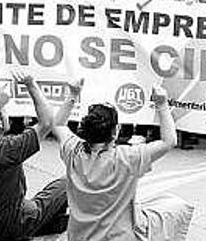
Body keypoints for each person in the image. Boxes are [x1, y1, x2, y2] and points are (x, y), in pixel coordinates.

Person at [51, 78, 194, 240]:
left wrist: (73, 95)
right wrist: (161, 104)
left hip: (79, 237)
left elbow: (58, 125)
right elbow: (169, 141)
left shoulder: (73, 151)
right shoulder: (127, 158)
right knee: (175, 207)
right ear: (115, 131)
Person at [0, 66, 69, 241]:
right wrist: (31, 85)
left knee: (38, 205)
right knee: (67, 182)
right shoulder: (10, 148)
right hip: (14, 227)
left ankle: (53, 221)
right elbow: (47, 122)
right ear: (1, 123)